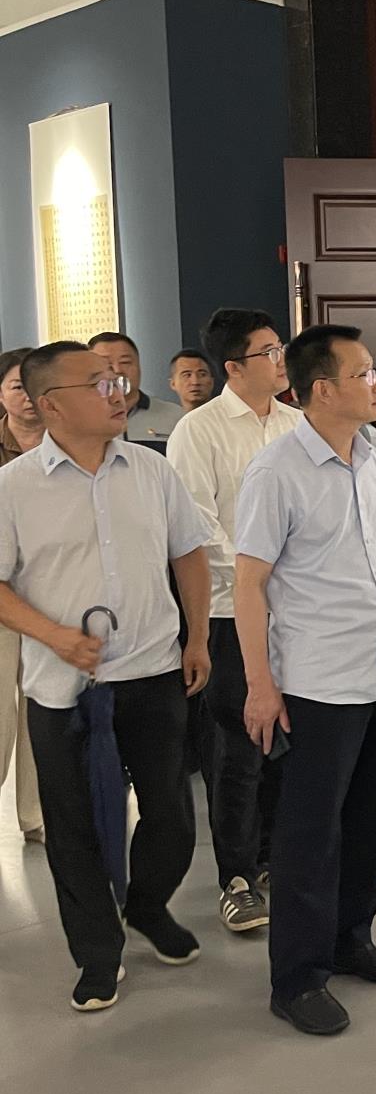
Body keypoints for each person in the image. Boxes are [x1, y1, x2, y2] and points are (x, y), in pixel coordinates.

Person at [233, 323, 376, 1037]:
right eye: (365, 374)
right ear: (321, 388)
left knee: (370, 820)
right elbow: (249, 584)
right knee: (309, 834)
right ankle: (297, 977)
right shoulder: (276, 472)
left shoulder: (370, 452)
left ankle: (352, 937)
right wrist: (260, 685)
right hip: (316, 682)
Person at [0, 342, 211, 1012]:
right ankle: (97, 951)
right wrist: (55, 635)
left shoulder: (151, 469)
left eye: (117, 380)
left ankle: (146, 905)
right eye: (97, 383)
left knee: (171, 813)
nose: (117, 392)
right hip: (64, 687)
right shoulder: (14, 487)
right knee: (75, 825)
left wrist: (198, 636)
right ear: (51, 404)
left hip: (153, 670)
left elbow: (189, 554)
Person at [168, 309, 302, 934]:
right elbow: (197, 527)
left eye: (282, 349)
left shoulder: (299, 424)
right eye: (269, 352)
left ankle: (274, 859)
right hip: (228, 610)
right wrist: (258, 574)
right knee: (238, 749)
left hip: (295, 613)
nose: (282, 360)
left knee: (288, 742)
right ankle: (237, 877)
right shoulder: (198, 432)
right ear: (234, 367)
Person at [0, 348, 44, 845]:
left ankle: (35, 815)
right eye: (16, 387)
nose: (28, 398)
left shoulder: (68, 444)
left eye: (34, 387)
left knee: (43, 709)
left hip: (50, 597)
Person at [88, 332, 184, 451]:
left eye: (125, 362)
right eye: (106, 363)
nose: (117, 370)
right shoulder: (76, 419)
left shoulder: (175, 417)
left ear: (139, 366)